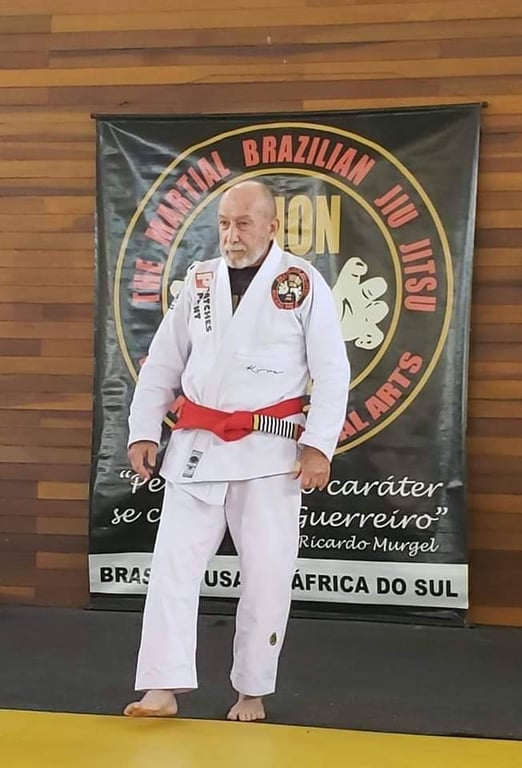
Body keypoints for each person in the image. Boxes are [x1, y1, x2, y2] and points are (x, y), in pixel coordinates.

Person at [123, 179, 350, 722]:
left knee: (267, 575)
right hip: (198, 446)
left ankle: (252, 691)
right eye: (224, 223)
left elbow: (332, 370)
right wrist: (143, 429)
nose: (231, 234)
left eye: (243, 223)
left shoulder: (301, 281)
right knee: (172, 566)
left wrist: (318, 446)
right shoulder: (200, 280)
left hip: (271, 453)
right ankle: (162, 687)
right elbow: (163, 360)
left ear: (272, 225)